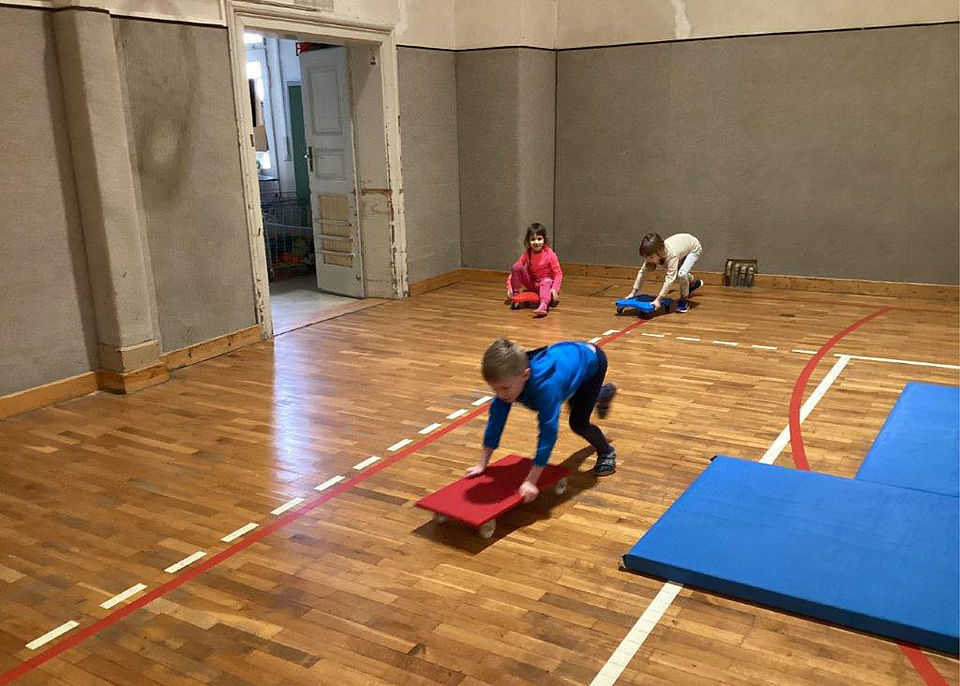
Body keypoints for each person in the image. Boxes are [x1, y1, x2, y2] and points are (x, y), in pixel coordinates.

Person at [468, 338, 618, 502]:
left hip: (592, 362)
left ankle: (607, 451)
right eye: (494, 389)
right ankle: (603, 394)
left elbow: (548, 433)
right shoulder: (510, 381)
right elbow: (495, 423)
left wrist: (531, 481)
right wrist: (482, 464)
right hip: (569, 360)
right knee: (578, 400)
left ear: (525, 375)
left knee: (578, 423)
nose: (500, 394)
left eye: (504, 388)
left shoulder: (545, 388)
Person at [627, 232, 703, 312]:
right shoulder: (654, 253)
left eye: (651, 257)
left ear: (659, 252)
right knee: (679, 272)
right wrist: (633, 293)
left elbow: (670, 279)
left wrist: (658, 300)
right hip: (682, 248)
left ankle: (684, 300)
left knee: (681, 274)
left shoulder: (671, 255)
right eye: (646, 257)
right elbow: (642, 273)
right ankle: (694, 282)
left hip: (693, 248)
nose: (648, 260)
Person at [507, 223, 563, 318]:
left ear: (544, 240)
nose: (536, 242)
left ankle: (543, 305)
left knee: (546, 281)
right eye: (533, 239)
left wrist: (555, 288)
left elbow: (558, 273)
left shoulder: (550, 254)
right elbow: (515, 270)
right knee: (516, 266)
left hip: (546, 284)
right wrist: (510, 286)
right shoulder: (528, 253)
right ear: (528, 241)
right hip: (533, 283)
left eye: (539, 239)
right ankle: (516, 298)